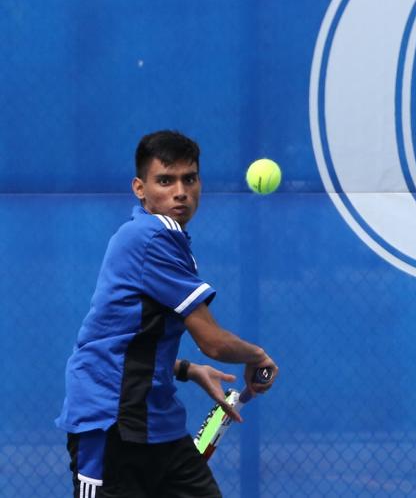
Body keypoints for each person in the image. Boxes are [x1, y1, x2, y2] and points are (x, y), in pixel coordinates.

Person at [55, 130, 279, 498]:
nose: (180, 191)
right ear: (140, 188)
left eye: (189, 179)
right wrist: (258, 356)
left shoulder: (166, 239)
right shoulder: (150, 238)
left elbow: (125, 339)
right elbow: (213, 342)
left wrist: (187, 370)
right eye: (165, 180)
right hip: (108, 425)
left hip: (158, 425)